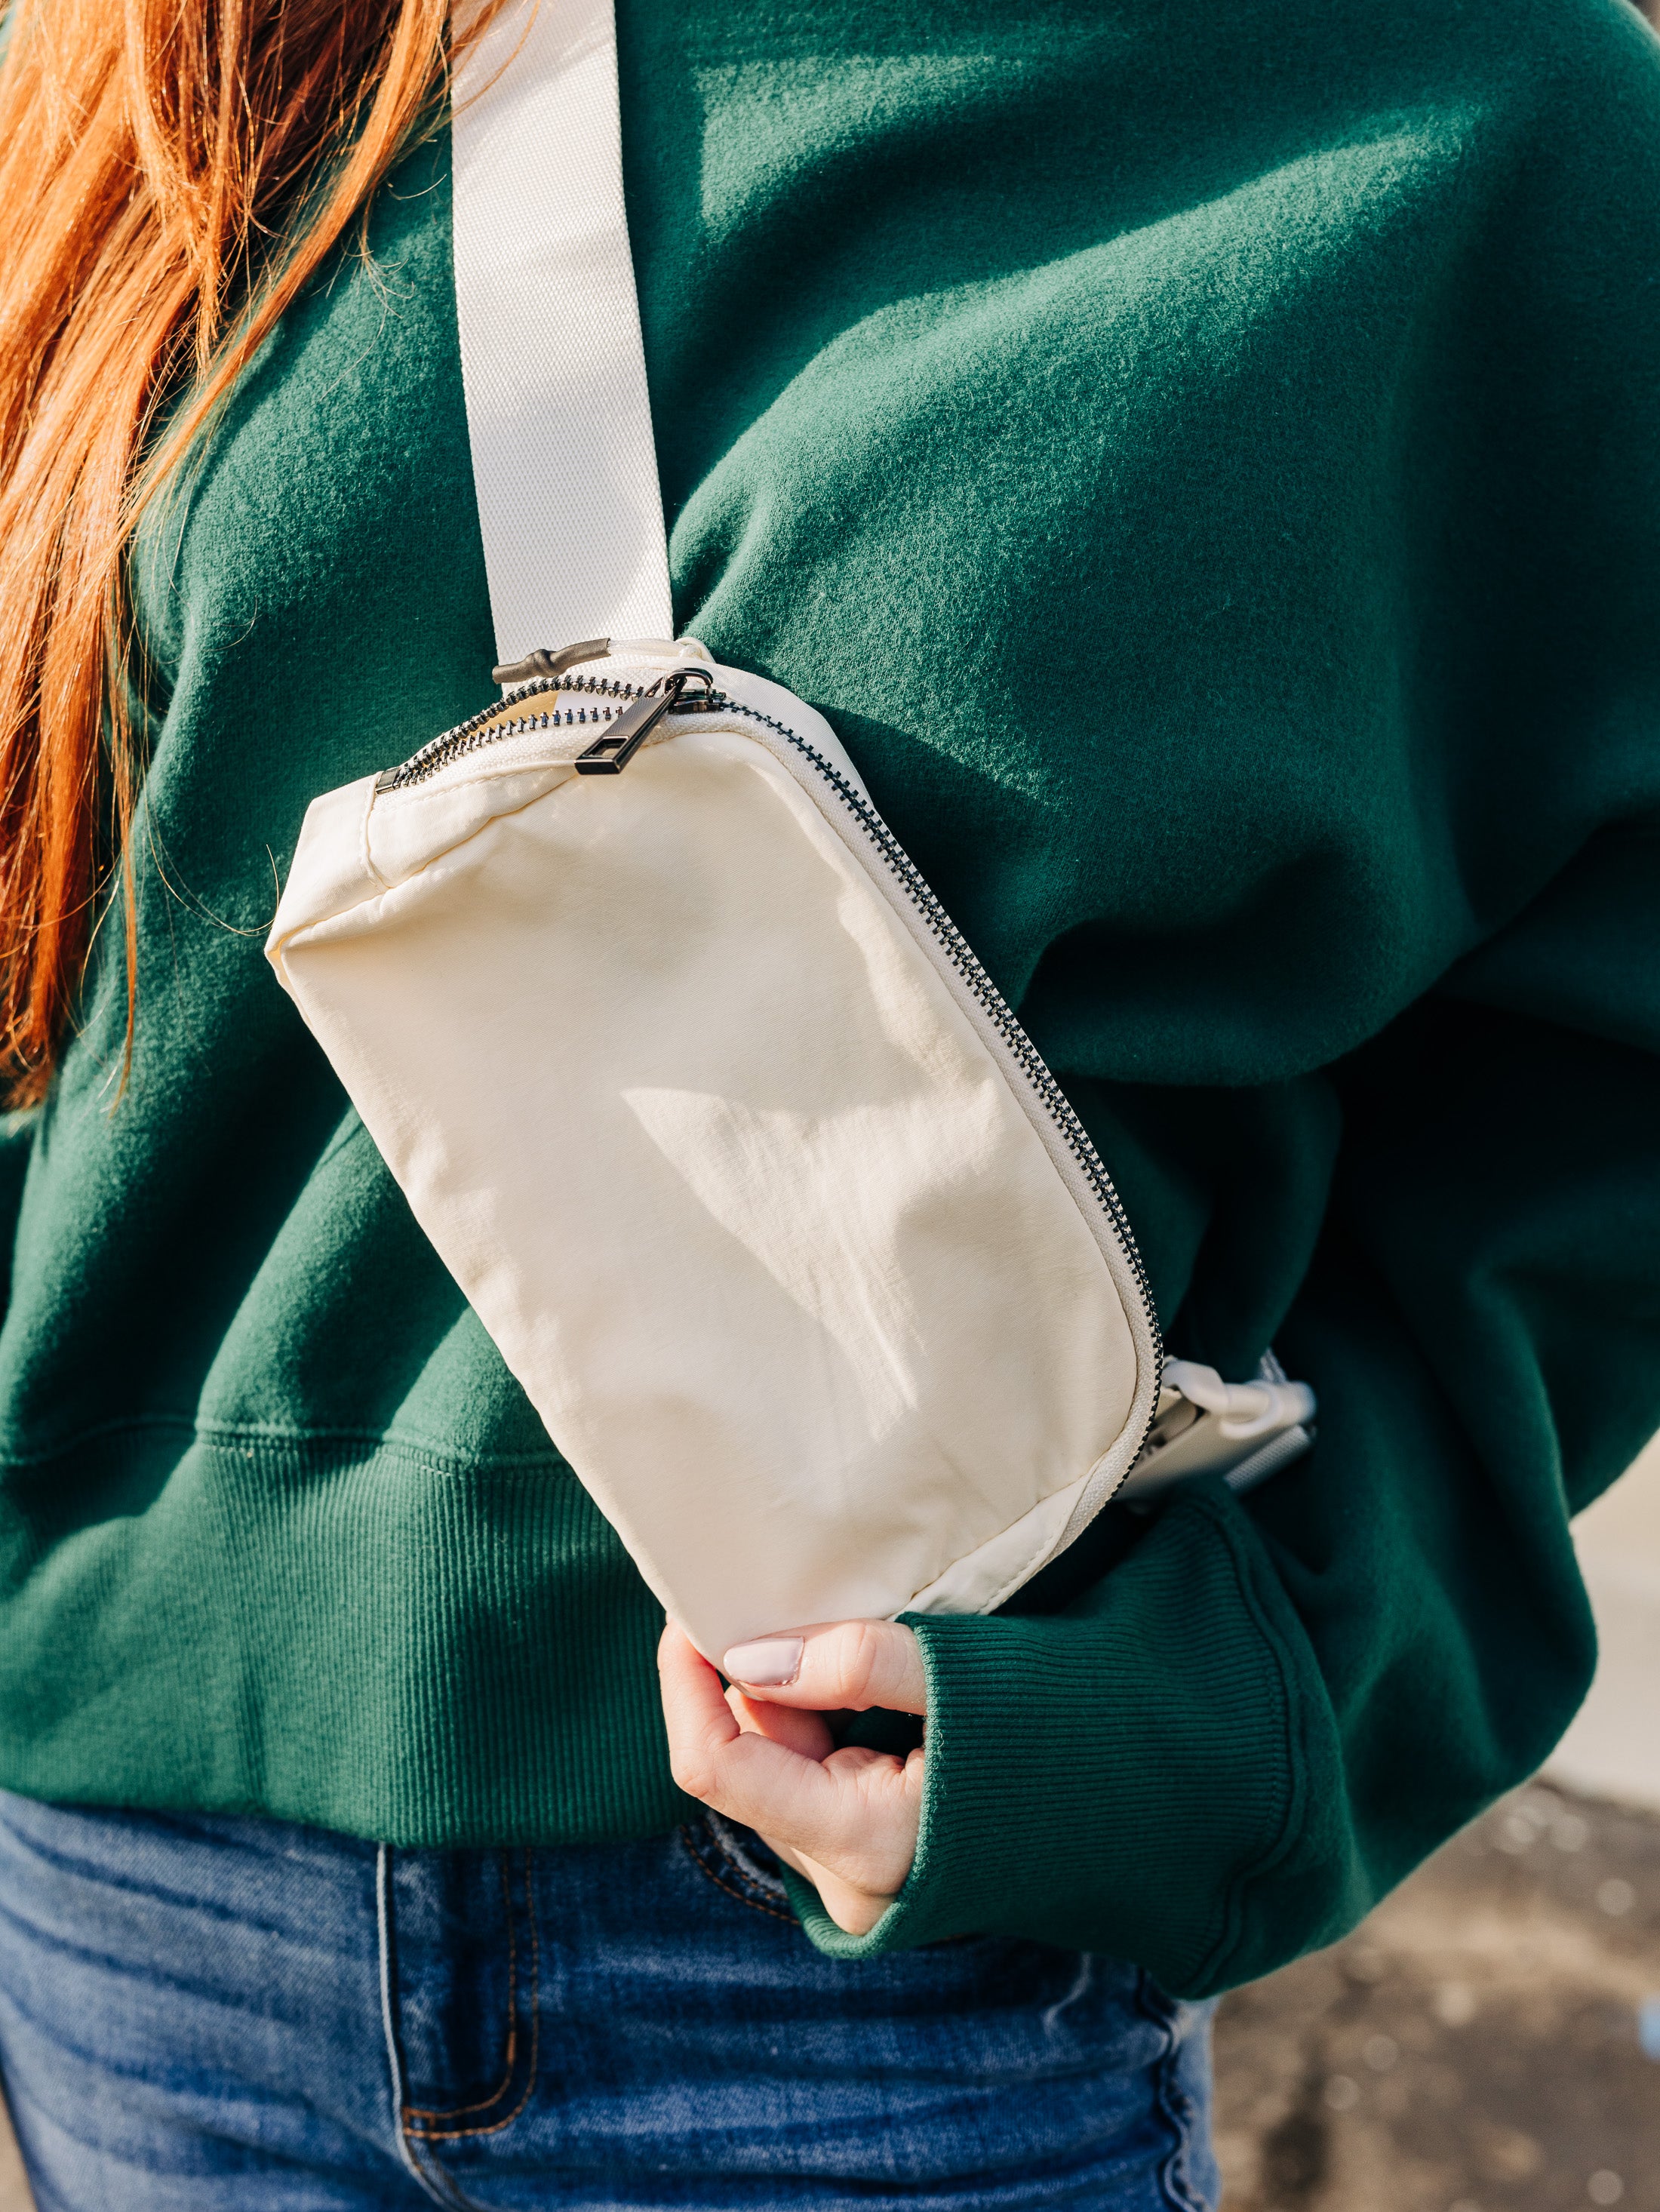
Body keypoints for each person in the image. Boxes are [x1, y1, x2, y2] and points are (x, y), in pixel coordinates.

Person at [1, 0, 1658, 2203]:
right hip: (132, 1910)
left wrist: (1215, 1710)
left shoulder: (1490, 122)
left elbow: (1598, 1131)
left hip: (859, 1995)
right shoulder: (221, 38)